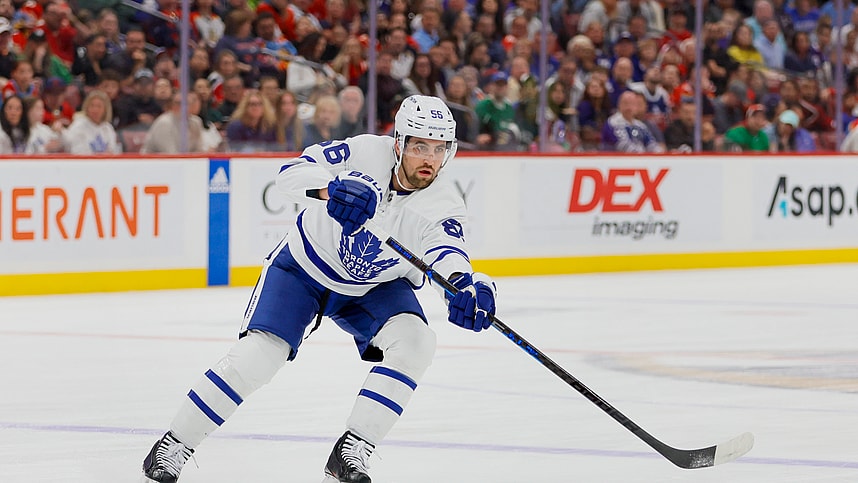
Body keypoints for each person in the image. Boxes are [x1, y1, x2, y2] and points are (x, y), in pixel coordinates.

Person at [141, 94, 497, 483]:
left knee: (417, 342)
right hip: (304, 268)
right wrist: (332, 189)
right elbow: (290, 173)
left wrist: (466, 288)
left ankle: (352, 449)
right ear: (398, 142)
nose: (430, 159)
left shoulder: (444, 202)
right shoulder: (363, 152)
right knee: (259, 356)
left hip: (372, 287)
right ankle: (174, 445)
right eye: (419, 146)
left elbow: (448, 254)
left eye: (439, 148)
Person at [62, 90, 122, 154]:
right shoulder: (79, 125)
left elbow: (114, 150)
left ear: (105, 109)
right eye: (92, 106)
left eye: (99, 106)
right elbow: (76, 151)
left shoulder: (108, 128)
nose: (95, 110)